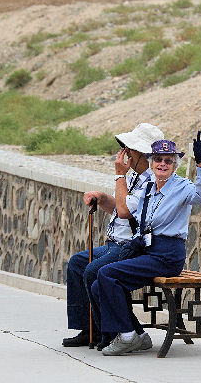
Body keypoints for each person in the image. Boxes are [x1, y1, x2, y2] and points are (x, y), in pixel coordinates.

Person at [91, 131, 201, 356]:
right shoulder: (148, 188)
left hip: (167, 254)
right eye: (158, 159)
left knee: (107, 274)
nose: (163, 164)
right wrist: (114, 182)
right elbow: (124, 208)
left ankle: (127, 336)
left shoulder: (182, 186)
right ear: (151, 162)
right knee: (100, 283)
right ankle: (136, 335)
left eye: (168, 160)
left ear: (175, 164)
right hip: (147, 249)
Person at [62, 123, 164, 349]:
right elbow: (120, 206)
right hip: (115, 243)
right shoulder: (136, 177)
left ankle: (121, 331)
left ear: (141, 154)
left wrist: (119, 176)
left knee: (93, 271)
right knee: (78, 263)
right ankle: (90, 329)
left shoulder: (150, 180)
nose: (126, 153)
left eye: (130, 150)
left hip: (130, 246)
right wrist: (102, 198)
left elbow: (126, 211)